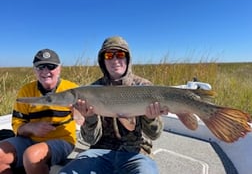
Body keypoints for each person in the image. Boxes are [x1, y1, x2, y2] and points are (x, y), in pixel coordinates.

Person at [59, 36, 169, 174]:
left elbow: (154, 135)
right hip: (98, 153)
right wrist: (90, 118)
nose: (115, 60)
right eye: (109, 55)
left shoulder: (143, 86)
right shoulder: (92, 89)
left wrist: (150, 118)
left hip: (136, 153)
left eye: (120, 55)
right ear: (103, 60)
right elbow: (90, 139)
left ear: (127, 58)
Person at [0, 49, 78, 174]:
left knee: (32, 156)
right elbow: (16, 124)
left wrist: (81, 114)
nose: (46, 71)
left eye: (51, 66)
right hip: (29, 139)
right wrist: (30, 127)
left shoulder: (72, 90)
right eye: (40, 67)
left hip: (63, 139)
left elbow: (83, 121)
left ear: (59, 69)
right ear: (34, 70)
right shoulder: (26, 91)